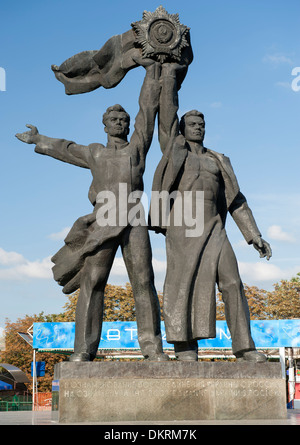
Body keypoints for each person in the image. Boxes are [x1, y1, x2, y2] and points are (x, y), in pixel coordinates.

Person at [16, 61, 169, 362]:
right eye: (113, 119)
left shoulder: (136, 148)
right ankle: (84, 349)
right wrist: (38, 139)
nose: (119, 123)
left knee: (143, 280)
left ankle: (151, 347)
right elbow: (66, 148)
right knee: (94, 279)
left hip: (134, 216)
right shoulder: (95, 151)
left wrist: (152, 73)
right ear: (105, 124)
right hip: (104, 217)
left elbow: (147, 111)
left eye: (122, 119)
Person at [150, 63, 272, 362]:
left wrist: (254, 235)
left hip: (215, 227)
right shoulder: (175, 150)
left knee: (232, 282)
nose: (199, 128)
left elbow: (236, 200)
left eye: (202, 124)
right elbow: (167, 116)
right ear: (182, 129)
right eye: (193, 124)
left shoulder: (219, 160)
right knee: (183, 284)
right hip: (183, 227)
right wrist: (169, 75)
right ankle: (184, 347)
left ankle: (244, 347)